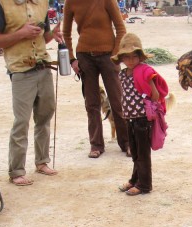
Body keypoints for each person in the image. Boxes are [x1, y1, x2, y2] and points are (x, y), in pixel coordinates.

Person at [0, 0, 62, 186]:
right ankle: (16, 170)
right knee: (21, 121)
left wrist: (53, 34)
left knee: (44, 117)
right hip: (20, 70)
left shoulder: (42, 3)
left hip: (43, 67)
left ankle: (42, 161)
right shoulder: (1, 3)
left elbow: (43, 38)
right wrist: (21, 34)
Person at [62, 0, 130, 159]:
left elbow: (121, 28)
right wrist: (72, 58)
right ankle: (96, 144)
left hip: (108, 56)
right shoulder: (70, 2)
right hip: (85, 57)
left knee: (117, 101)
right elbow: (65, 33)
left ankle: (127, 142)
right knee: (91, 103)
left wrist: (115, 55)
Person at [112, 33, 169, 196]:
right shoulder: (123, 74)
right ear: (121, 58)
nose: (130, 60)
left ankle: (144, 184)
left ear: (140, 57)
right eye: (126, 57)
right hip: (130, 118)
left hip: (142, 119)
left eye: (134, 56)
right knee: (135, 152)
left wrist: (146, 102)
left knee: (143, 154)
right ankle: (135, 179)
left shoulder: (144, 72)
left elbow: (155, 94)